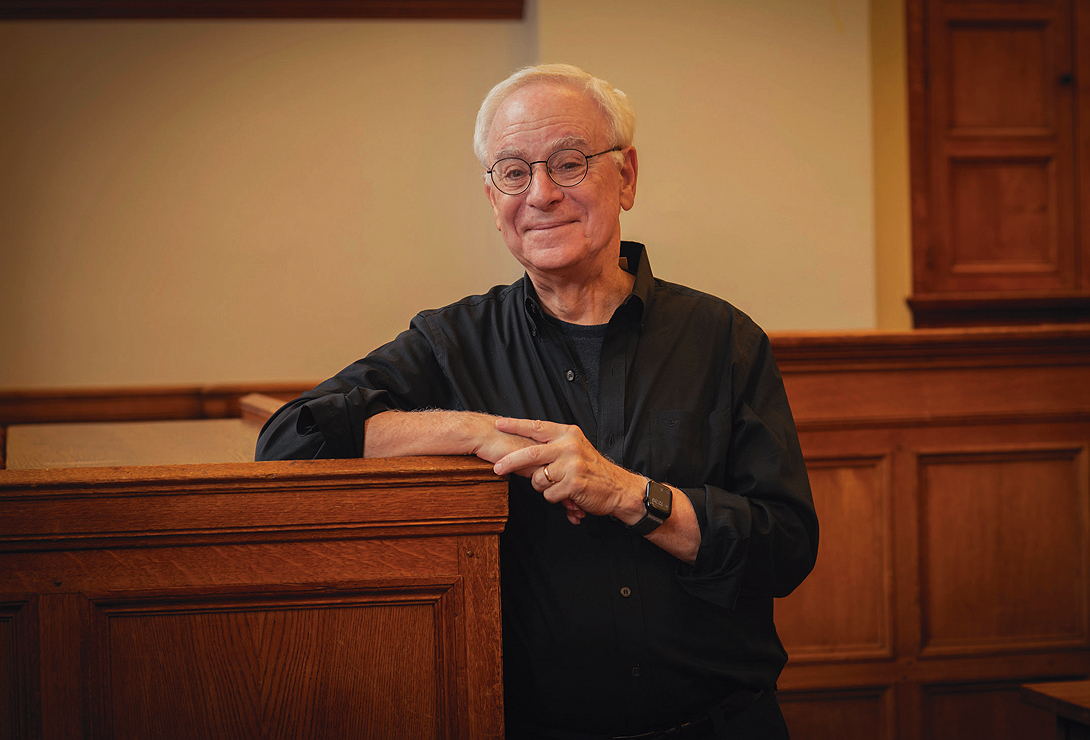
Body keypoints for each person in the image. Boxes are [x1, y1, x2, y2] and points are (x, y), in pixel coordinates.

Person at [256, 63, 818, 740]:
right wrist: (471, 429)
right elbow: (293, 439)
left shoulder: (724, 339)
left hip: (723, 726)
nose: (541, 194)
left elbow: (786, 549)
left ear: (627, 177)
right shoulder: (450, 342)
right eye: (514, 172)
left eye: (569, 163)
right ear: (493, 198)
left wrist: (630, 494)